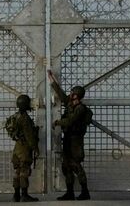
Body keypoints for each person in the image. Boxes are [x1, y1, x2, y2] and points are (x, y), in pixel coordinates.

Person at [48, 70, 93, 201]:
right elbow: (61, 94)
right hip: (68, 139)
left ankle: (85, 192)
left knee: (76, 165)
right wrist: (52, 79)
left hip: (76, 141)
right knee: (66, 166)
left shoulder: (80, 109)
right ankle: (70, 193)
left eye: (72, 92)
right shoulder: (70, 103)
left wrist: (57, 122)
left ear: (76, 96)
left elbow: (71, 120)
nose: (70, 93)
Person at [6, 94, 40, 202]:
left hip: (17, 147)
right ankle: (24, 195)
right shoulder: (25, 118)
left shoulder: (15, 116)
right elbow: (29, 136)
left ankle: (16, 195)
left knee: (17, 171)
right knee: (24, 170)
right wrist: (35, 148)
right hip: (25, 147)